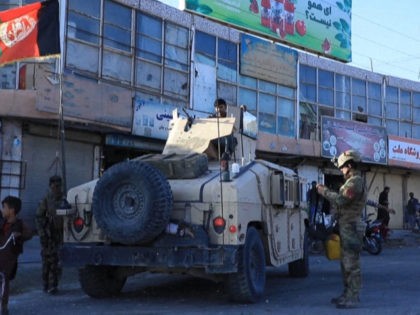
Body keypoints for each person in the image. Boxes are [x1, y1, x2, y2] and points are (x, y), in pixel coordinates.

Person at [316, 150, 367, 309]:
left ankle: (353, 297)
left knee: (351, 264)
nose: (341, 169)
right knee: (345, 263)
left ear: (350, 165)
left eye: (343, 167)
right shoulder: (351, 181)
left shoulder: (355, 182)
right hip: (347, 226)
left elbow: (341, 200)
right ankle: (347, 294)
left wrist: (323, 190)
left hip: (351, 227)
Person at [35, 175, 64, 295]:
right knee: (47, 261)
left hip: (59, 234)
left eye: (58, 185)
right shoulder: (46, 200)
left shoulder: (64, 199)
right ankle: (46, 284)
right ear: (50, 186)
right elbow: (38, 217)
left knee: (57, 261)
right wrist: (42, 234)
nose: (56, 188)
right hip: (48, 234)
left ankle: (53, 285)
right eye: (54, 185)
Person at [0, 196, 24, 315]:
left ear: (12, 210)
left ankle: (4, 307)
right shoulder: (2, 222)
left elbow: (27, 234)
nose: (2, 210)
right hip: (1, 254)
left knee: (5, 279)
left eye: (4, 208)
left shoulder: (18, 225)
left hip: (9, 258)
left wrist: (19, 236)